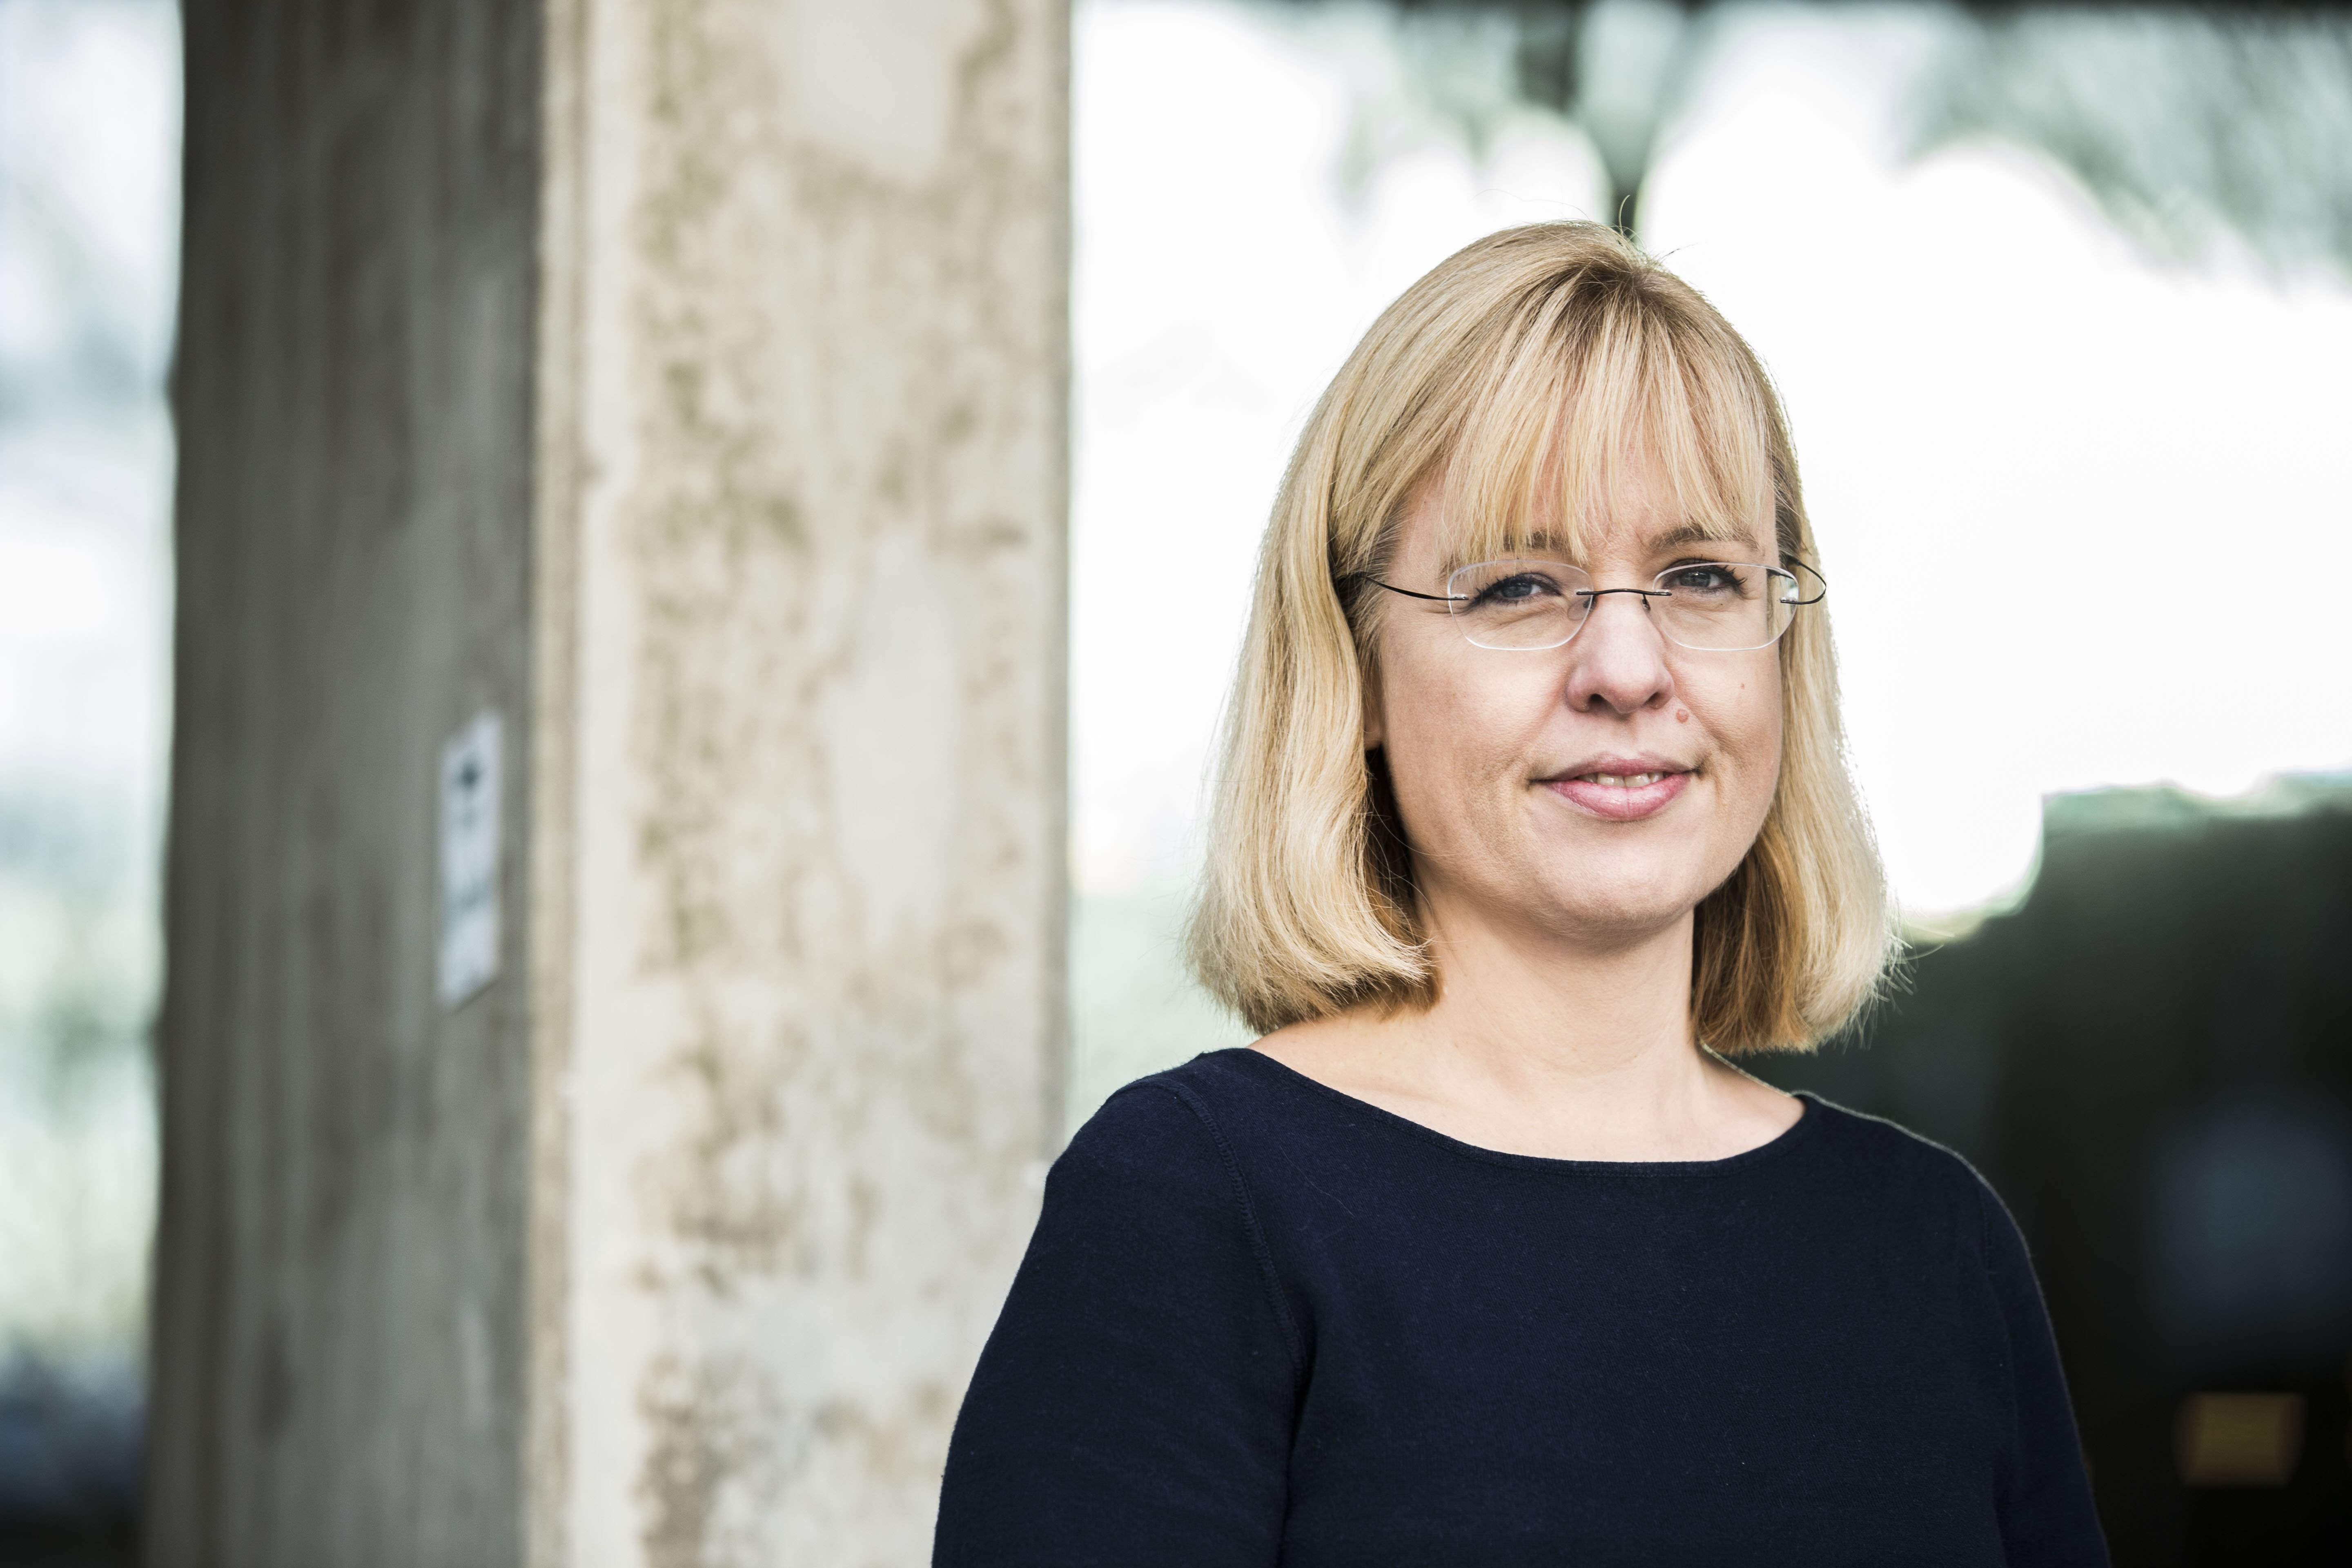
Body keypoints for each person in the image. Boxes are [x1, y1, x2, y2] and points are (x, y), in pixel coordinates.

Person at [934, 223, 2109, 1566]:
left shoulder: (1936, 1249)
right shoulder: (1193, 1209)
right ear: (1357, 673)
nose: (1628, 668)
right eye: (1518, 587)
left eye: (1701, 578)